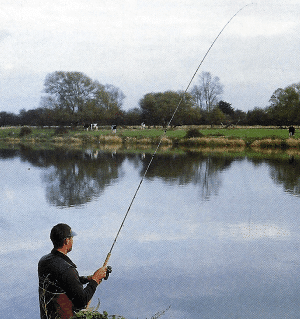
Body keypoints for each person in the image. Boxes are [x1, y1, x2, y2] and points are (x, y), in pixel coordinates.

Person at [38, 223, 108, 319]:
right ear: (66, 241)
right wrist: (95, 280)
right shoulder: (67, 269)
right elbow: (82, 301)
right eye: (71, 238)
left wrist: (88, 278)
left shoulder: (44, 261)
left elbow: (63, 282)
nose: (72, 241)